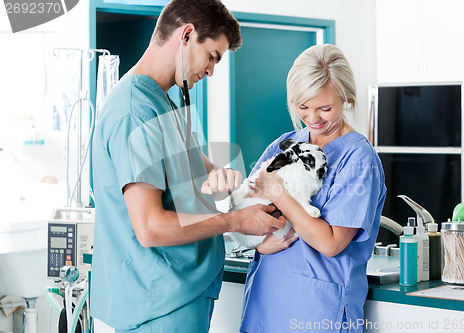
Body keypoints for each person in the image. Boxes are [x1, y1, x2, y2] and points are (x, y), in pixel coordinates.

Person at [90, 1, 285, 332]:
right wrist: (237, 221)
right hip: (160, 305)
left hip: (183, 295)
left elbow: (198, 167)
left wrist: (230, 181)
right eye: (212, 56)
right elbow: (150, 226)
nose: (210, 71)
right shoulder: (135, 111)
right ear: (187, 34)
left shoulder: (166, 101)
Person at [239, 44, 387, 333]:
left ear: (346, 98)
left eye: (325, 108)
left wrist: (280, 194)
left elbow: (330, 243)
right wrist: (259, 245)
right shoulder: (285, 143)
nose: (313, 118)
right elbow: (248, 210)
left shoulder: (359, 160)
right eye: (303, 107)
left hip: (318, 313)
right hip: (265, 305)